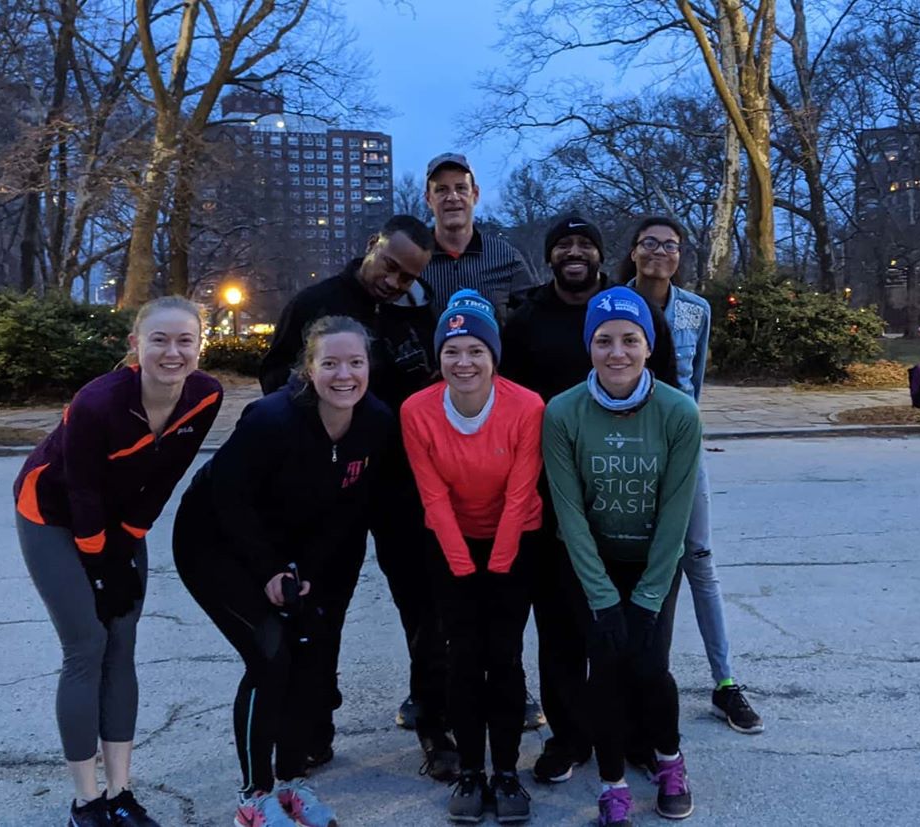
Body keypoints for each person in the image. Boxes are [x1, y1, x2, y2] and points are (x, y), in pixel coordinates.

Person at [260, 215, 461, 781]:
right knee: (321, 606)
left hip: (402, 484)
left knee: (425, 609)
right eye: (389, 266)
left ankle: (434, 720)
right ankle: (313, 728)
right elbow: (272, 370)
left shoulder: (419, 313)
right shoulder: (315, 301)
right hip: (331, 480)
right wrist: (321, 398)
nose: (393, 280)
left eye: (407, 275)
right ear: (372, 247)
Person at [173, 316, 393, 827]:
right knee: (270, 653)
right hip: (215, 545)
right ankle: (255, 794)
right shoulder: (270, 420)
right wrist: (270, 570)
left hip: (292, 553)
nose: (345, 375)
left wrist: (306, 573)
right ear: (307, 370)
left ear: (368, 366)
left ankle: (292, 783)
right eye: (330, 363)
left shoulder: (375, 422)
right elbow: (229, 501)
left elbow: (347, 509)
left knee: (310, 653)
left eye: (355, 363)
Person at [14, 296, 223, 827]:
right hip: (53, 514)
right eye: (159, 340)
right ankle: (87, 802)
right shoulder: (97, 401)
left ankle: (120, 792)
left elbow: (165, 478)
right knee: (86, 643)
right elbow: (81, 490)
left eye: (185, 340)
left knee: (122, 642)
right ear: (136, 346)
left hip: (118, 522)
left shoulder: (206, 396)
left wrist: (126, 543)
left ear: (200, 346)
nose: (172, 352)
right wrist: (98, 564)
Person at [502, 214, 678, 787]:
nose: (574, 252)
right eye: (563, 245)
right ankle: (571, 735)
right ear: (549, 256)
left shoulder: (634, 312)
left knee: (631, 629)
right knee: (560, 630)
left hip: (630, 495)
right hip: (556, 495)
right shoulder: (528, 321)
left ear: (602, 257)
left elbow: (670, 393)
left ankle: (634, 735)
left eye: (585, 244)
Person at [543, 286, 701, 824]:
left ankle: (669, 759)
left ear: (648, 345)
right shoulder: (563, 412)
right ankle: (611, 785)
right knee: (605, 668)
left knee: (651, 666)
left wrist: (650, 595)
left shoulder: (679, 412)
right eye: (604, 340)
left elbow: (677, 513)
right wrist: (603, 597)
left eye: (630, 340)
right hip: (592, 564)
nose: (617, 353)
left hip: (654, 560)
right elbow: (569, 512)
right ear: (589, 346)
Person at [401, 289, 544, 824]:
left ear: (493, 356)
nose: (464, 362)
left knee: (503, 655)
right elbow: (432, 495)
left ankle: (505, 771)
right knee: (462, 656)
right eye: (452, 351)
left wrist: (499, 565)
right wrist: (463, 569)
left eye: (475, 351)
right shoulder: (417, 411)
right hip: (449, 541)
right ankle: (469, 771)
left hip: (514, 539)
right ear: (439, 357)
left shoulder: (526, 406)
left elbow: (521, 491)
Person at [619, 216, 764, 735]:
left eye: (671, 245)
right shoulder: (614, 302)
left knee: (699, 559)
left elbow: (693, 380)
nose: (660, 252)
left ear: (682, 255)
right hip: (625, 447)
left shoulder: (695, 310)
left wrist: (686, 434)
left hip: (681, 446)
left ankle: (725, 682)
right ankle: (622, 685)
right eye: (650, 243)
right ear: (633, 251)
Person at [422, 152, 541, 321]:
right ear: (428, 199)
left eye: (461, 188)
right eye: (441, 190)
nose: (453, 197)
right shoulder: (414, 261)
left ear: (475, 194)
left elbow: (533, 322)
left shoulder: (506, 257)